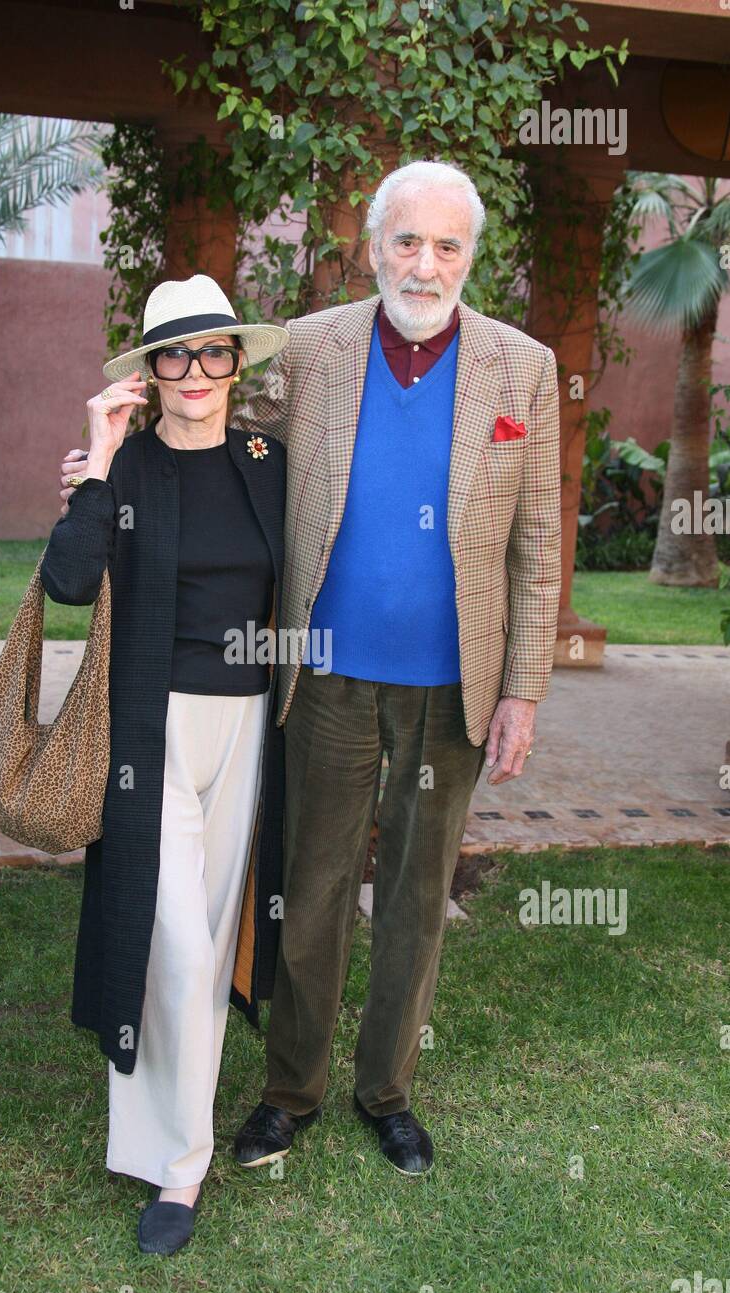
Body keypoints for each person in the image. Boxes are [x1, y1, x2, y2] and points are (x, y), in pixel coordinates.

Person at [229, 158, 562, 1177]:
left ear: (470, 255)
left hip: (451, 687)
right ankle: (291, 1091)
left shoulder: (522, 369)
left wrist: (522, 689)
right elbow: (225, 443)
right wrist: (119, 454)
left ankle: (387, 1091)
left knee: (417, 895)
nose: (423, 265)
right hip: (325, 675)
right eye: (405, 241)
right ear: (372, 247)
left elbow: (539, 540)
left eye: (445, 245)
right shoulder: (309, 349)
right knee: (314, 884)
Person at [41, 274, 288, 1253]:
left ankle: (168, 1146)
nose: (196, 372)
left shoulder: (270, 461)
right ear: (149, 372)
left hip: (251, 729)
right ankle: (178, 1172)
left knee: (214, 937)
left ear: (237, 361)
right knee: (178, 948)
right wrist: (97, 461)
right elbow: (65, 581)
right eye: (175, 355)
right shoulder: (129, 470)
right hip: (153, 733)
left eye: (214, 351)